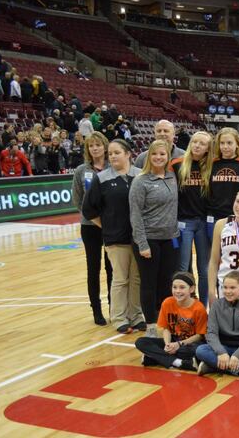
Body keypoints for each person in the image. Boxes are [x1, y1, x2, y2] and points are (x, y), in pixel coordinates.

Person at [82, 139, 145, 334]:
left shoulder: (141, 176)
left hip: (139, 238)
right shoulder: (101, 179)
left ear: (128, 154)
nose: (113, 156)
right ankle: (119, 318)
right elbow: (88, 209)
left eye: (117, 152)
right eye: (110, 153)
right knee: (120, 279)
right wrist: (107, 226)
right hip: (116, 238)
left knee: (136, 278)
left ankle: (136, 315)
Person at [130, 139, 179, 337]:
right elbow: (135, 214)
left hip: (170, 239)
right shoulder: (141, 181)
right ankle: (150, 325)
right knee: (149, 283)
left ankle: (166, 322)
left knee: (167, 282)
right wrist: (142, 243)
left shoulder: (172, 177)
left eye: (163, 154)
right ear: (148, 157)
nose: (159, 158)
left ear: (168, 157)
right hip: (148, 240)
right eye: (155, 154)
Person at [72, 132, 113, 325]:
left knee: (112, 268)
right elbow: (78, 200)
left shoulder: (114, 167)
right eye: (91, 146)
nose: (95, 148)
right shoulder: (81, 170)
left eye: (98, 145)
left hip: (113, 225)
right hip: (90, 227)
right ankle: (96, 309)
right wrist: (96, 219)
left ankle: (115, 307)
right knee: (93, 268)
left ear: (105, 147)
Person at [195, 271, 239, 381]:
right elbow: (211, 333)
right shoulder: (216, 305)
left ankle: (213, 366)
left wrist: (238, 355)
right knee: (201, 350)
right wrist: (221, 352)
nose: (228, 291)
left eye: (232, 288)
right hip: (224, 347)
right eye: (225, 287)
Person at [170, 132, 214, 307]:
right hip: (183, 223)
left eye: (202, 143)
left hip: (203, 222)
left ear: (208, 148)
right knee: (182, 267)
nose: (197, 145)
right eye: (194, 142)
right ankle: (182, 305)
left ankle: (201, 306)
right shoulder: (177, 164)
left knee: (204, 269)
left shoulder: (211, 166)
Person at [135, 272, 207, 371]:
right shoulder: (167, 303)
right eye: (174, 287)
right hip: (173, 340)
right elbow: (166, 328)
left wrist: (179, 344)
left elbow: (199, 335)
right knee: (141, 342)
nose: (177, 291)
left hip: (189, 344)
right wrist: (167, 344)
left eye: (182, 287)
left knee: (196, 350)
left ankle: (154, 358)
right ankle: (179, 363)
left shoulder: (199, 308)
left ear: (192, 289)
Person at [207, 128, 239, 246]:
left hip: (237, 217)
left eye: (229, 143)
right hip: (214, 216)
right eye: (222, 143)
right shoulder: (212, 163)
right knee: (215, 254)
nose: (225, 147)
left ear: (237, 144)